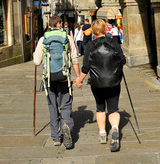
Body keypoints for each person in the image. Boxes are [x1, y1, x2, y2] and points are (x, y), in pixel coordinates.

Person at [74, 19, 126, 152]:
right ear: (105, 29)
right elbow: (123, 60)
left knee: (100, 108)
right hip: (113, 82)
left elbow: (85, 68)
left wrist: (79, 80)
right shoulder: (113, 42)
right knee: (113, 109)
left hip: (97, 83)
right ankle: (114, 129)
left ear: (93, 31)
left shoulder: (90, 46)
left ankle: (103, 134)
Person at [33, 16, 81, 149]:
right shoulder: (67, 38)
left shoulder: (43, 39)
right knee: (65, 105)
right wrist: (78, 77)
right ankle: (66, 126)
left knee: (52, 106)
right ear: (59, 24)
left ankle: (56, 138)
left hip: (49, 79)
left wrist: (35, 55)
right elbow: (74, 59)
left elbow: (37, 62)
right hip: (64, 77)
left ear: (50, 25)